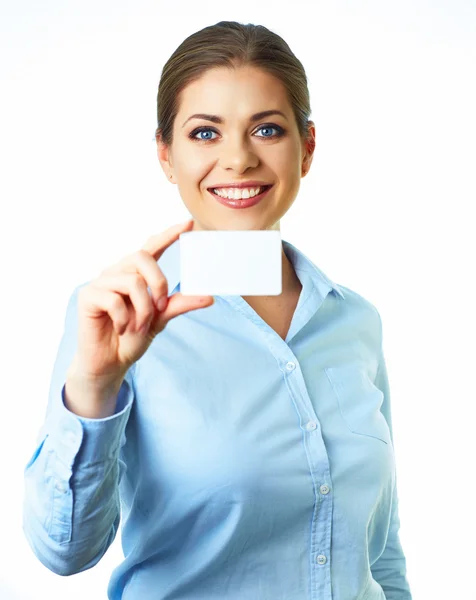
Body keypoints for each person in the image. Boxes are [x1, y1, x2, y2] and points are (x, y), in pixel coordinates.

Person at [22, 20, 413, 600]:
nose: (238, 159)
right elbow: (63, 551)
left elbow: (382, 552)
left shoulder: (353, 320)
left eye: (267, 129)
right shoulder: (115, 321)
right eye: (205, 133)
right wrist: (95, 386)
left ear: (306, 148)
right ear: (165, 154)